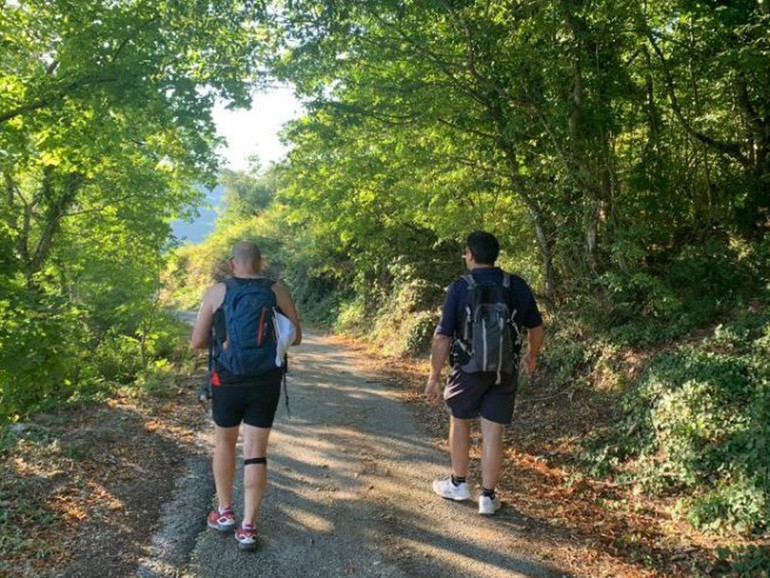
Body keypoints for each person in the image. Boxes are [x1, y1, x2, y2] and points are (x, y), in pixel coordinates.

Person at [190, 240, 302, 549]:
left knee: (225, 442)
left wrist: (222, 340)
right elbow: (297, 337)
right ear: (260, 262)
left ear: (231, 263)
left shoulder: (217, 292)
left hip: (226, 379)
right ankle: (249, 527)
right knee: (255, 451)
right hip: (265, 381)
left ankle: (225, 513)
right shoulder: (277, 291)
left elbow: (197, 341)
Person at [425, 231, 544, 515]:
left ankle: (459, 484)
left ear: (471, 254)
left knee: (460, 420)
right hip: (504, 369)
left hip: (467, 368)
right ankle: (488, 498)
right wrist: (532, 355)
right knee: (493, 431)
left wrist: (433, 376)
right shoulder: (515, 285)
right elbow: (536, 328)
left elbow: (443, 338)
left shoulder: (459, 288)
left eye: (465, 252)